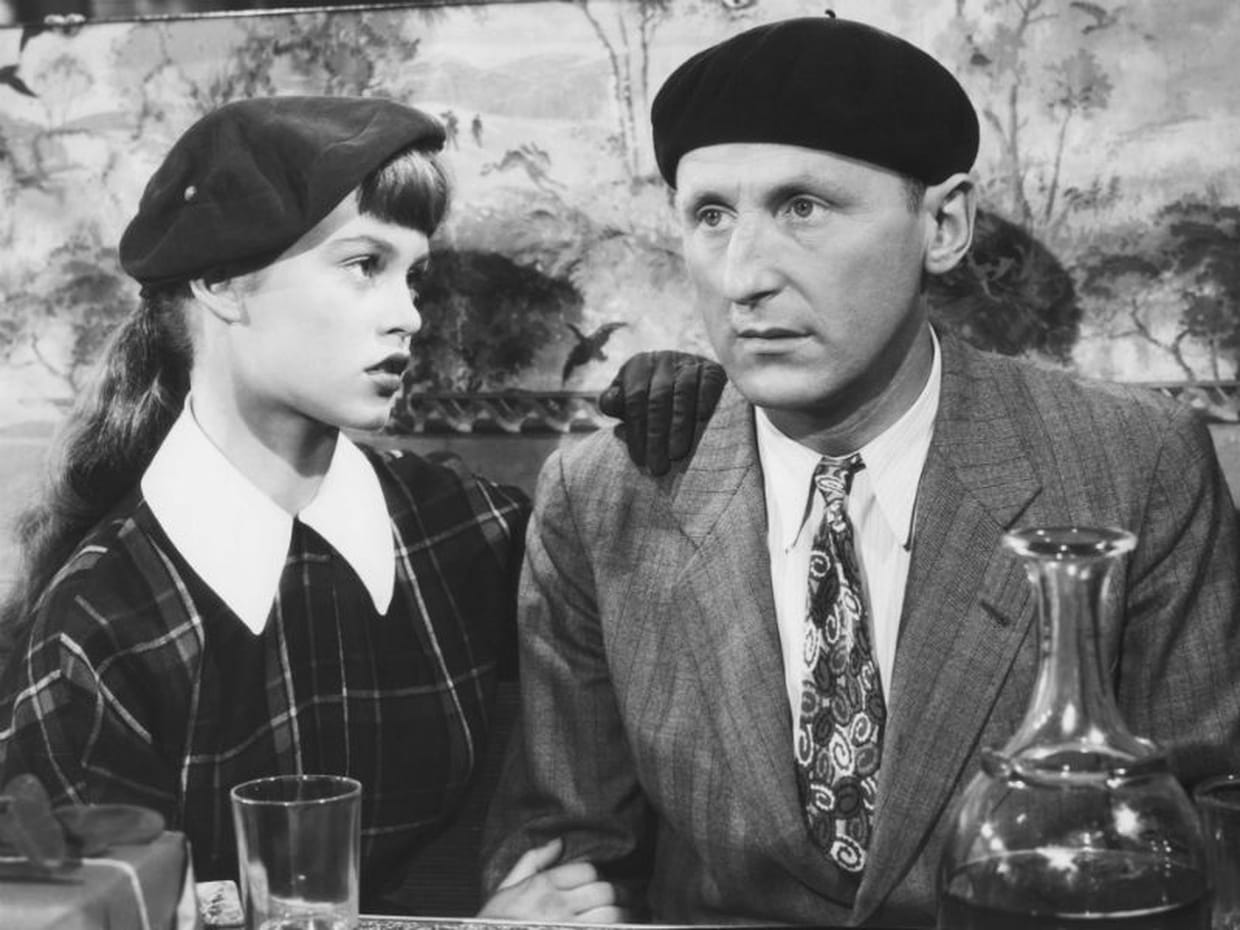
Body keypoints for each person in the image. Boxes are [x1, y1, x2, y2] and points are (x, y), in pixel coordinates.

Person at [480, 15, 1240, 925]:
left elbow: (1211, 836)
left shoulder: (1131, 463)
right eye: (711, 216)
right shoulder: (603, 496)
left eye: (803, 207)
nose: (743, 277)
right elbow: (566, 853)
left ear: (943, 225)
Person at [0, 95, 720, 919]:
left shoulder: (467, 528)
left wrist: (700, 424)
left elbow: (652, 665)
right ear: (221, 282)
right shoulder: (98, 627)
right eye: (364, 264)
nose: (408, 315)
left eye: (412, 276)